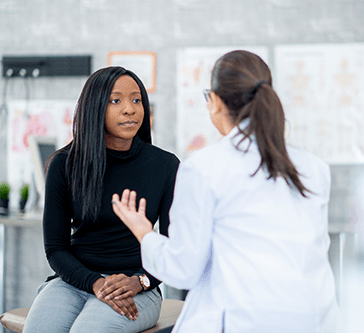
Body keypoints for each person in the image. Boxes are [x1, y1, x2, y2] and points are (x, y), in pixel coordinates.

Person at [109, 50, 342, 333]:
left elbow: (183, 271)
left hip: (243, 321)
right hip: (317, 320)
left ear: (215, 101)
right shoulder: (314, 167)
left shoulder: (205, 168)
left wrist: (144, 232)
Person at [23, 66, 180, 333]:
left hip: (139, 286)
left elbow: (175, 248)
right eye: (115, 100)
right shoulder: (64, 164)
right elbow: (56, 248)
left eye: (136, 100)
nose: (130, 109)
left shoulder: (165, 165)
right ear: (95, 107)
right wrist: (96, 283)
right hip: (74, 282)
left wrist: (140, 282)